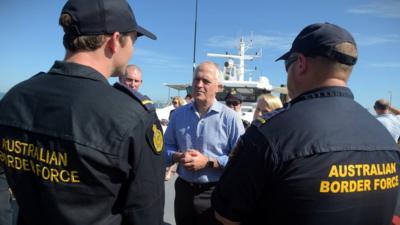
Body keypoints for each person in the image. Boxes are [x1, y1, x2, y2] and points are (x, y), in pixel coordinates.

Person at [212, 22, 400, 225]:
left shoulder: (270, 134)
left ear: (301, 63)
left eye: (287, 64)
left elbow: (226, 216)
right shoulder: (384, 137)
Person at [0, 0, 165, 225]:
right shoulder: (132, 118)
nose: (133, 50)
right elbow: (145, 217)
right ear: (115, 41)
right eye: (134, 40)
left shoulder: (14, 98)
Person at [164, 61, 245, 225]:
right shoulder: (178, 115)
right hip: (184, 191)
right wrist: (178, 156)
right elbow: (165, 147)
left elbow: (241, 161)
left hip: (214, 193)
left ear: (218, 87)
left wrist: (207, 162)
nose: (199, 85)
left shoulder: (230, 118)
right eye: (196, 80)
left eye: (206, 81)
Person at [165, 96, 186, 181]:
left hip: (181, 134)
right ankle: (169, 171)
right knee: (172, 152)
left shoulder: (184, 111)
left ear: (180, 102)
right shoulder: (172, 112)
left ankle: (170, 171)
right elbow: (171, 123)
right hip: (172, 134)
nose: (174, 104)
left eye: (175, 103)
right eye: (173, 102)